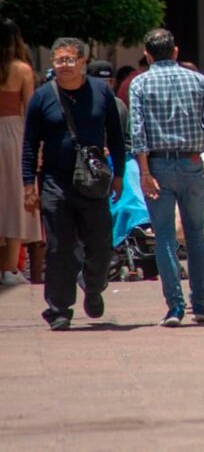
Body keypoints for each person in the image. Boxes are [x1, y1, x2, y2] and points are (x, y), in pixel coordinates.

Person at [23, 37, 126, 330]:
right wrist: (28, 184)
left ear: (83, 61)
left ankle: (93, 286)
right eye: (59, 60)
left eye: (69, 60)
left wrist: (118, 174)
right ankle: (58, 308)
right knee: (59, 248)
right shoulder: (43, 97)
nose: (64, 65)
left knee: (101, 245)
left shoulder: (100, 93)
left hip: (93, 182)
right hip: (56, 182)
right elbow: (30, 144)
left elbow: (116, 136)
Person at [130, 29, 204, 327]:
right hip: (193, 164)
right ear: (175, 51)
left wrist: (143, 172)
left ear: (147, 53)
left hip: (157, 167)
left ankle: (175, 307)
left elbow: (138, 131)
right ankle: (201, 303)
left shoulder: (139, 83)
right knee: (195, 235)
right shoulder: (197, 80)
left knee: (165, 238)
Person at [1, 18, 38, 286]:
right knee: (14, 197)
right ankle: (11, 267)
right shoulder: (22, 69)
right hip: (13, 133)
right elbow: (31, 110)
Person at [87, 60, 129, 145]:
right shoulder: (81, 104)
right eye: (99, 82)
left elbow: (127, 136)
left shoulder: (119, 104)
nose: (105, 85)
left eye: (109, 81)